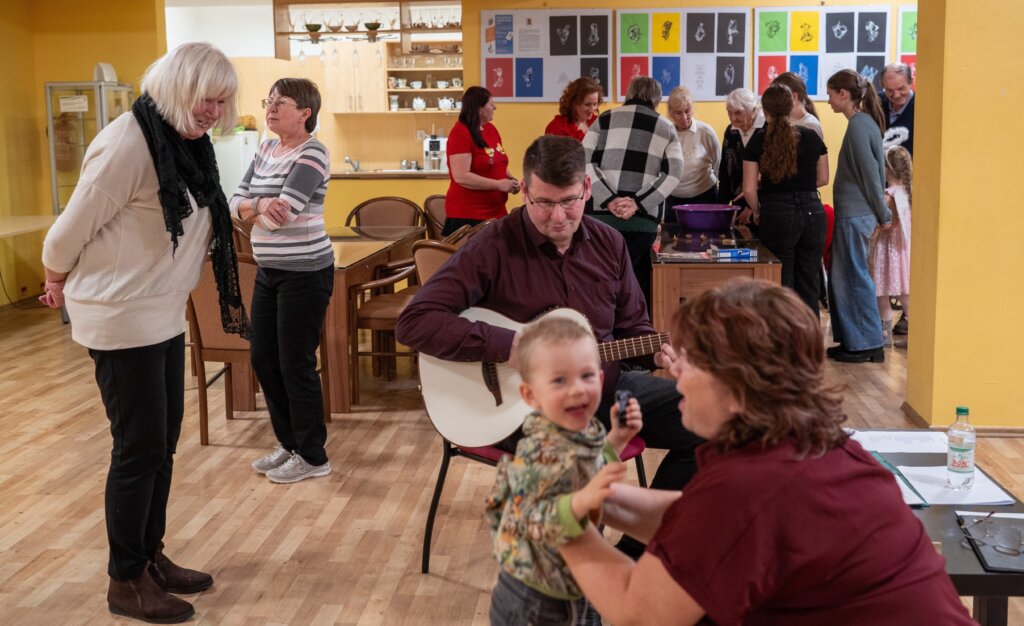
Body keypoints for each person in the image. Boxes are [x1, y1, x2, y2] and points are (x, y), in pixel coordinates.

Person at [556, 280, 976, 626]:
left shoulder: (750, 485)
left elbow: (638, 612)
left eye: (691, 361)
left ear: (737, 387)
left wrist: (558, 520)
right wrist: (593, 496)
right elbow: (696, 522)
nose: (675, 370)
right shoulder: (812, 447)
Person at [396, 135, 705, 559]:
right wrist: (512, 345)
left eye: (569, 202)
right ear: (524, 190)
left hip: (605, 390)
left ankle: (635, 554)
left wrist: (654, 352)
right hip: (522, 407)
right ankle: (575, 573)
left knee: (710, 423)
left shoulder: (609, 243)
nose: (557, 216)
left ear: (587, 189)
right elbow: (415, 321)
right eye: (543, 203)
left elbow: (633, 327)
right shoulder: (493, 245)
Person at [39, 43, 246, 623]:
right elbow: (67, 232)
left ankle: (150, 557)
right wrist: (54, 276)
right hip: (120, 315)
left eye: (222, 102)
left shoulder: (185, 144)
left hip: (159, 311)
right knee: (138, 448)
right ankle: (125, 580)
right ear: (179, 87)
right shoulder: (127, 144)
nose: (214, 112)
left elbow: (198, 217)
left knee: (162, 443)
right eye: (207, 99)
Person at [485, 317, 642, 626]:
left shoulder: (583, 428)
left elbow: (587, 464)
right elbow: (534, 521)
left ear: (600, 379)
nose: (577, 389)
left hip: (573, 581)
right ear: (530, 395)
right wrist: (584, 499)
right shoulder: (537, 451)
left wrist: (616, 439)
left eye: (586, 376)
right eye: (559, 381)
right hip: (532, 601)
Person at [229, 78, 334, 484]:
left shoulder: (313, 153)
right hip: (269, 270)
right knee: (264, 358)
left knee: (295, 363)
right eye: (269, 100)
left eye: (281, 101)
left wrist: (252, 209)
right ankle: (289, 445)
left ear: (305, 113)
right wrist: (258, 204)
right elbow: (233, 202)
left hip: (305, 272)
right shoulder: (266, 148)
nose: (271, 107)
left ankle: (313, 455)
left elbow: (282, 216)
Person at [583, 76, 683, 304]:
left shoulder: (604, 119)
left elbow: (583, 161)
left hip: (600, 219)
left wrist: (609, 199)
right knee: (636, 287)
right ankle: (636, 327)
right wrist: (638, 202)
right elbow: (674, 173)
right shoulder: (665, 126)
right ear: (656, 100)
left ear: (629, 94)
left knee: (599, 285)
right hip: (642, 222)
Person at [740, 83, 829, 314]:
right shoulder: (811, 136)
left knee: (781, 283)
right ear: (791, 106)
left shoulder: (758, 140)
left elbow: (748, 189)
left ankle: (783, 335)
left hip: (778, 213)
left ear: (765, 110)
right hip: (813, 211)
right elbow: (823, 178)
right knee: (809, 281)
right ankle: (809, 335)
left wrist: (757, 210)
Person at [825, 69, 892, 363]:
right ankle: (855, 341)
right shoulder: (860, 124)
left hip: (857, 214)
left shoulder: (859, 126)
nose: (828, 101)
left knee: (854, 278)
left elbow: (871, 175)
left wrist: (883, 213)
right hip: (853, 214)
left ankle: (867, 344)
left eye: (830, 95)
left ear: (844, 94)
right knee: (845, 277)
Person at [443, 86, 520, 236]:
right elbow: (461, 176)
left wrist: (511, 180)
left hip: (496, 212)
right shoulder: (460, 132)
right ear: (479, 109)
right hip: (469, 215)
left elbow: (498, 162)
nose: (495, 108)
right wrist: (499, 184)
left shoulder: (491, 129)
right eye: (491, 104)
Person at [871, 146, 913, 347]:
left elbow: (891, 223)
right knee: (906, 293)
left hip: (888, 250)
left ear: (887, 169)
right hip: (904, 250)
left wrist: (877, 230)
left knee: (882, 292)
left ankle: (885, 334)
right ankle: (915, 335)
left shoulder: (889, 195)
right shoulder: (909, 193)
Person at [664, 86, 721, 218]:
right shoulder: (666, 133)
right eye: (678, 113)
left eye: (687, 111)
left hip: (705, 196)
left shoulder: (705, 132)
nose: (684, 117)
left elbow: (719, 165)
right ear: (671, 113)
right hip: (673, 199)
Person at [716, 88, 765, 208]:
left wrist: (753, 207)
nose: (733, 118)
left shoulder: (767, 129)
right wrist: (721, 207)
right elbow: (725, 171)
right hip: (738, 200)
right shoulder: (731, 131)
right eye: (729, 112)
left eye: (738, 113)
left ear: (753, 110)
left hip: (763, 202)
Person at [545, 77, 602, 142]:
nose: (592, 109)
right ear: (574, 103)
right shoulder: (556, 128)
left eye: (595, 104)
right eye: (587, 104)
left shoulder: (597, 123)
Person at [770, 71, 823, 139]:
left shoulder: (810, 125)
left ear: (794, 96)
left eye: (778, 96)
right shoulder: (783, 120)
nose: (775, 101)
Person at [880, 63, 915, 155]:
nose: (896, 95)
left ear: (910, 82)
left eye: (901, 89)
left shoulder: (921, 107)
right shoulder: (876, 103)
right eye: (890, 90)